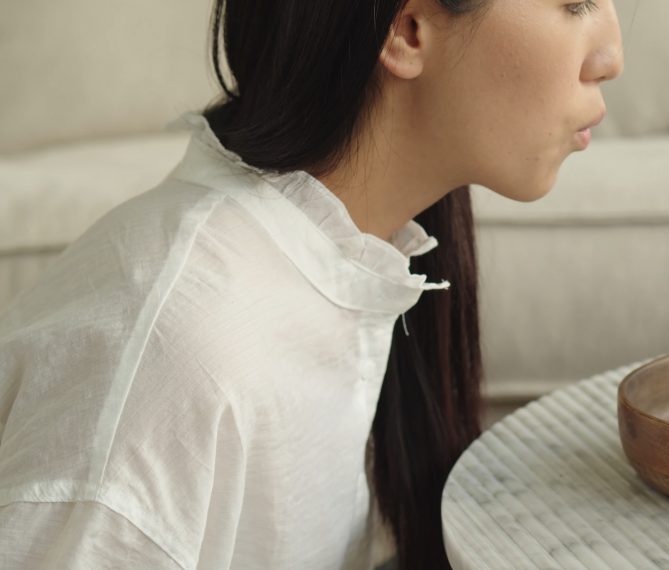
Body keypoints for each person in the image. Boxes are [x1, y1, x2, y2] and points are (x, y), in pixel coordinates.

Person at [0, 0, 623, 567]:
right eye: (574, 3)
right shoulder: (179, 359)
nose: (611, 57)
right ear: (407, 30)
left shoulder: (358, 256)